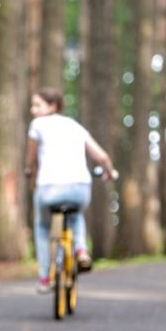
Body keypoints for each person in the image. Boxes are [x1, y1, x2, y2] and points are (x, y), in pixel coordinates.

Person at [24, 87, 118, 293]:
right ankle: (81, 250)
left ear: (53, 106)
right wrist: (109, 172)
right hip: (79, 187)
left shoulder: (37, 124)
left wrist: (30, 171)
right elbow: (101, 157)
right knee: (75, 215)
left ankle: (44, 278)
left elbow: (31, 159)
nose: (33, 110)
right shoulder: (75, 126)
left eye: (37, 105)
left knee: (42, 227)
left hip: (48, 188)